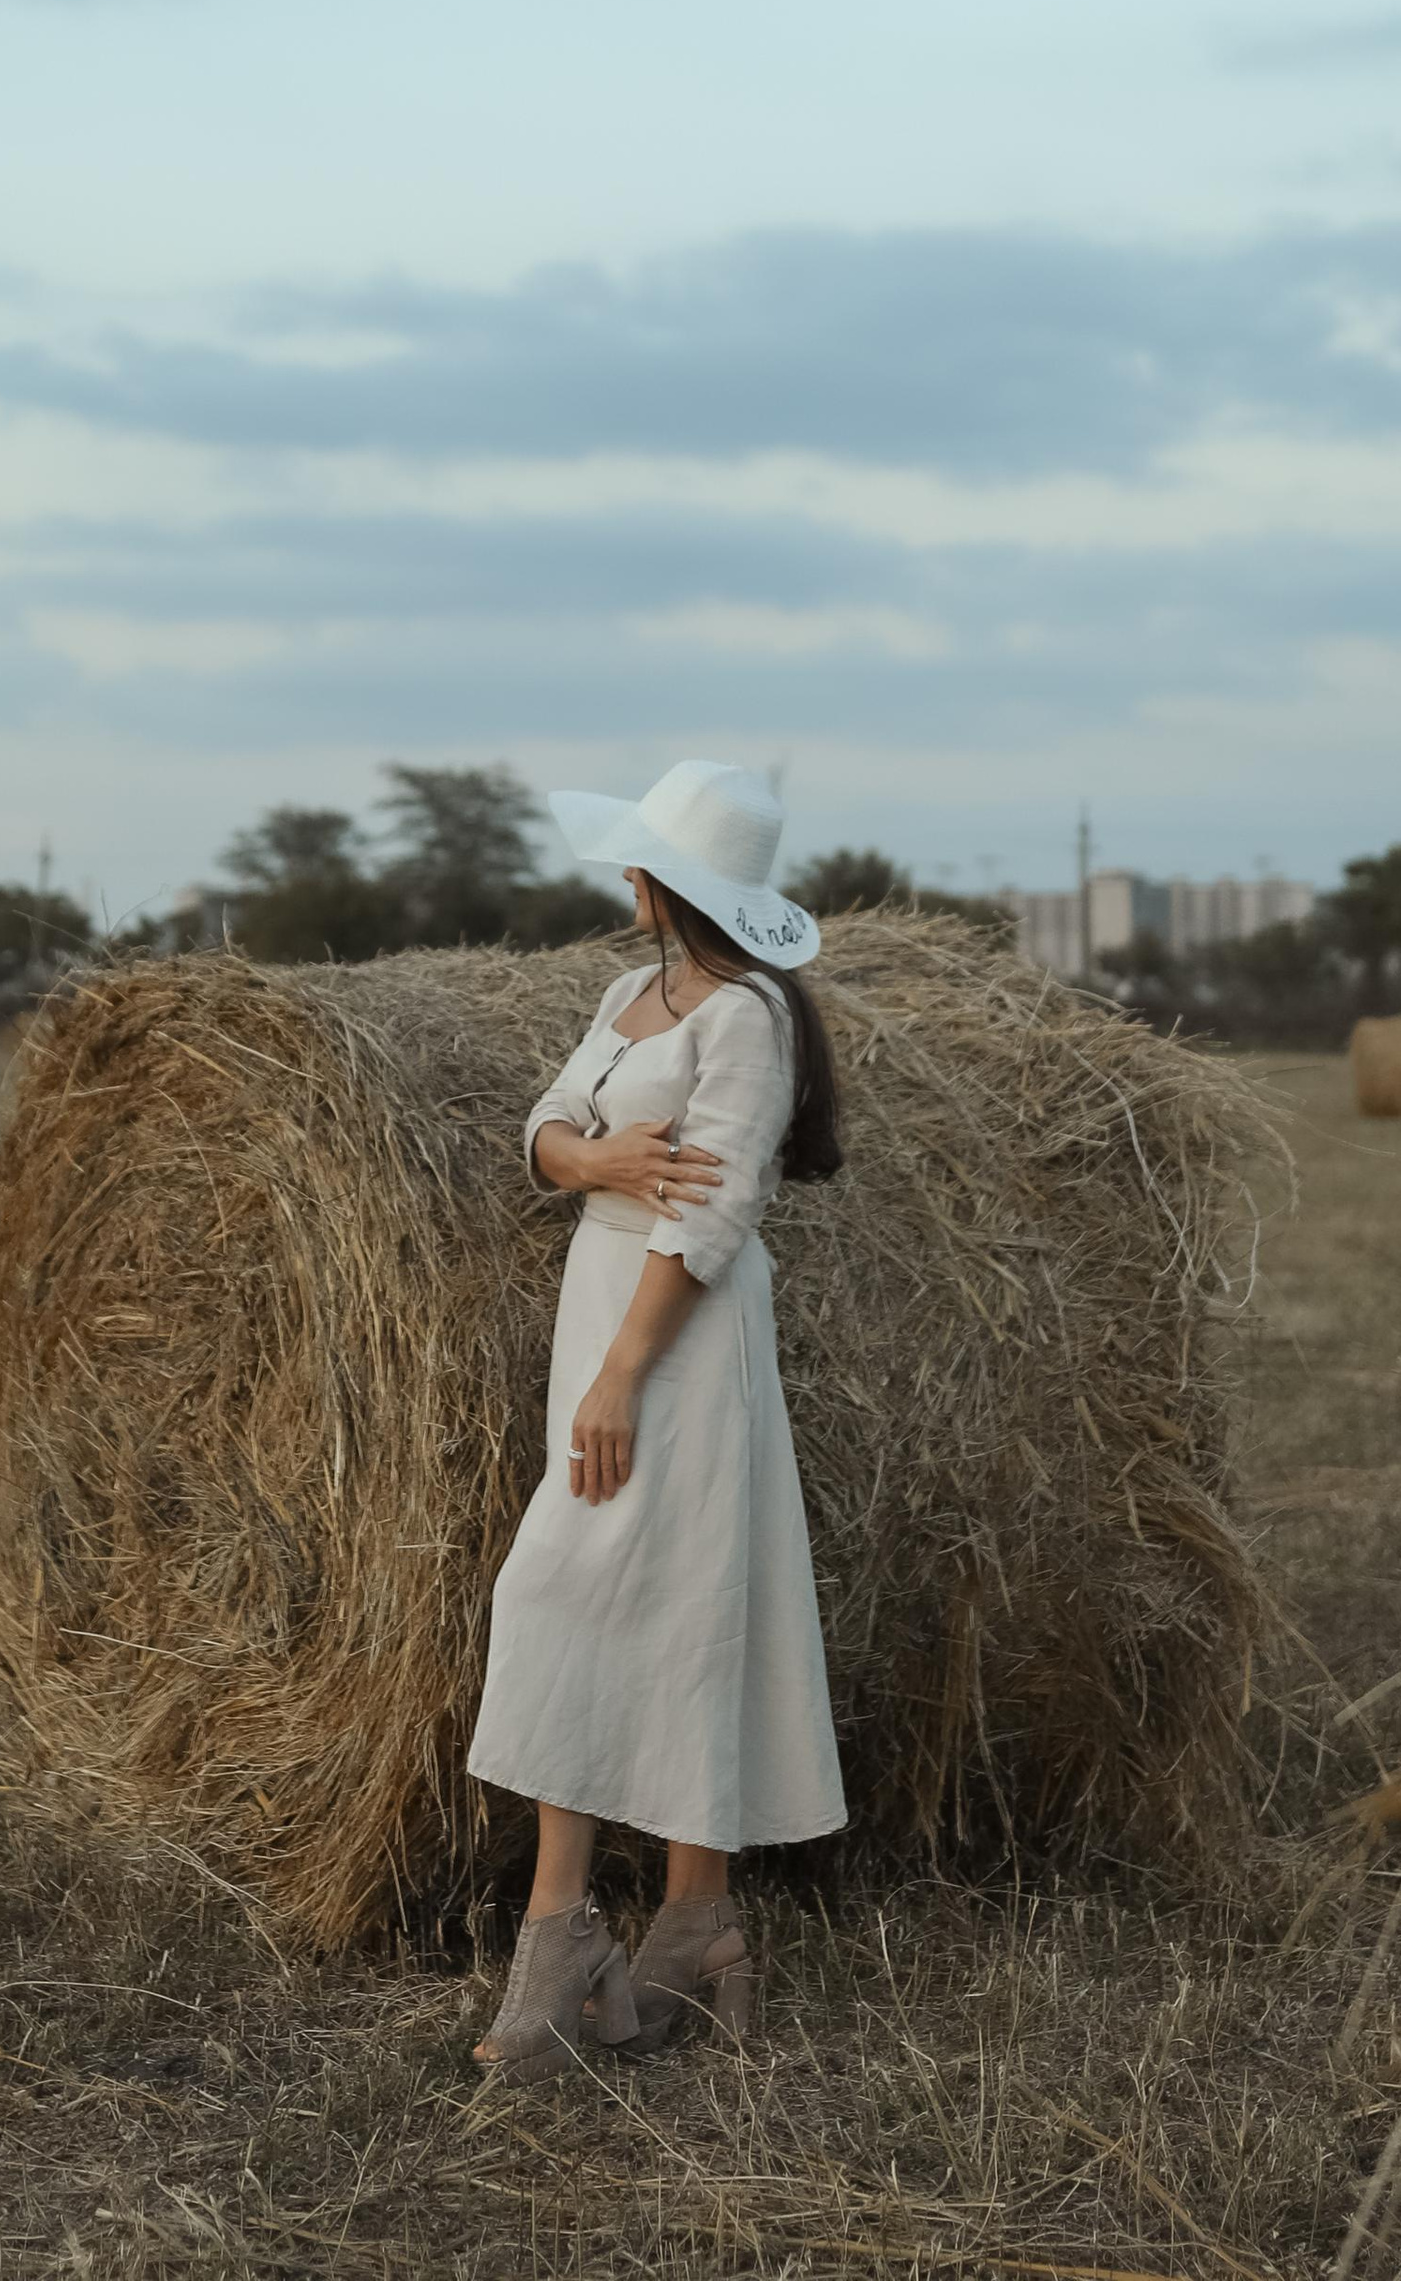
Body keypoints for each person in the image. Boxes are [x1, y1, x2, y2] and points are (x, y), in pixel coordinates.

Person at [465, 759, 847, 2072]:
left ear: (661, 880)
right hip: (604, 1318)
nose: (623, 879)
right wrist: (595, 1157)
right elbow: (547, 1126)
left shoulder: (747, 1017)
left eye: (636, 862)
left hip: (674, 1337)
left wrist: (624, 1373)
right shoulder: (632, 996)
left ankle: (567, 1926)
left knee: (601, 1593)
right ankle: (692, 1926)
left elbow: (714, 1210)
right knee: (639, 1597)